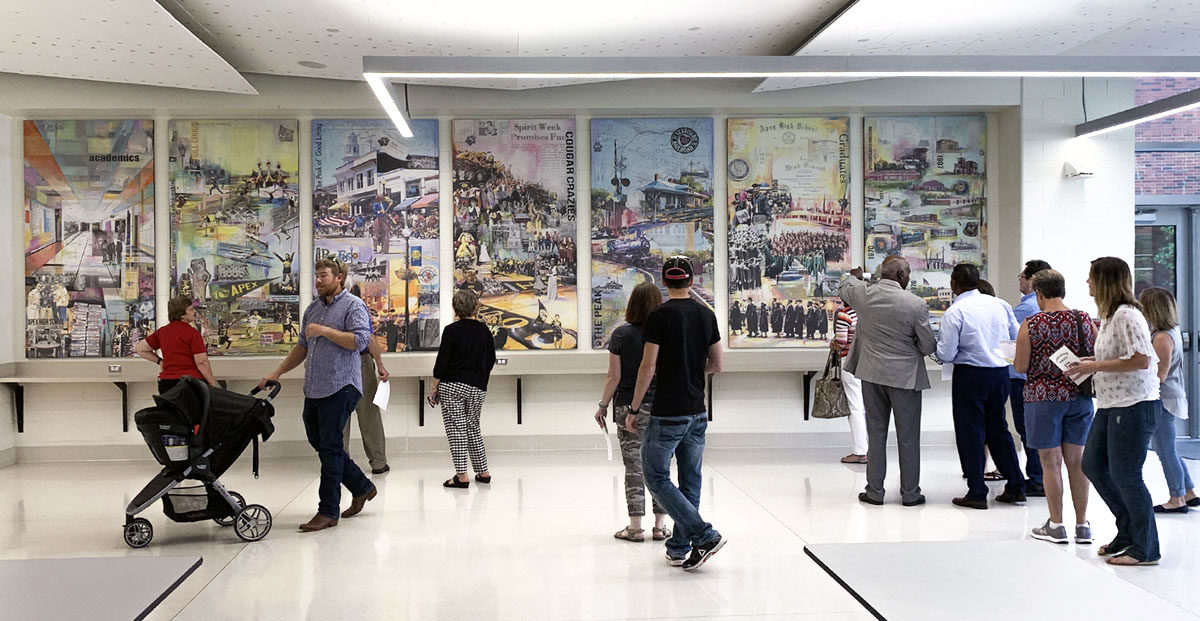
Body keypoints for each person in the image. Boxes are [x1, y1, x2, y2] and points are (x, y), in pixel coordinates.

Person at [260, 258, 376, 532]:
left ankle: (328, 512)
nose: (318, 280)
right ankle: (362, 486)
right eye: (317, 276)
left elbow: (360, 341)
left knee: (331, 448)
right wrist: (276, 373)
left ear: (339, 278)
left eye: (324, 275)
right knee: (321, 443)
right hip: (314, 388)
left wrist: (324, 331)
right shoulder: (312, 309)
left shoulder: (353, 306)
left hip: (341, 386)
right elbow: (302, 347)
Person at [629, 256, 725, 571]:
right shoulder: (706, 315)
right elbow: (717, 364)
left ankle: (703, 534)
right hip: (697, 411)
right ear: (691, 281)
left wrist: (633, 407)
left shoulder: (659, 316)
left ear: (665, 281)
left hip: (667, 412)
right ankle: (680, 546)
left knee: (655, 476)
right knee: (690, 480)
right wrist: (694, 377)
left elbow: (648, 366)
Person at [1069, 257, 1161, 566]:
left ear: (1105, 281)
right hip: (1111, 404)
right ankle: (1128, 531)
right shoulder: (1109, 317)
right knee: (1093, 464)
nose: (1087, 283)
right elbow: (1118, 357)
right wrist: (1085, 363)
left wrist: (1092, 366)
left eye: (1091, 277)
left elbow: (1141, 360)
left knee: (1127, 474)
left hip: (1135, 404)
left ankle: (1146, 548)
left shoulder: (1127, 316)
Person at [839, 256, 936, 507]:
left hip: (871, 375)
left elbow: (845, 286)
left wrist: (856, 275)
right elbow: (927, 346)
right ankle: (910, 493)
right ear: (902, 276)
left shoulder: (864, 295)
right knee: (908, 438)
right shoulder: (915, 304)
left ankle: (874, 491)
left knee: (876, 434)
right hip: (906, 378)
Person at [1013, 270, 1096, 543]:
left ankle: (1056, 524)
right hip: (1079, 396)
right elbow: (1097, 355)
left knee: (1050, 463)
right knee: (1078, 461)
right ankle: (1082, 525)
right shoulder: (1082, 318)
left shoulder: (1032, 323)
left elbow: (1021, 366)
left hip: (1043, 398)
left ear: (1038, 294)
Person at [938, 263, 1025, 509]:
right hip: (999, 374)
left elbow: (946, 353)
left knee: (970, 432)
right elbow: (1015, 337)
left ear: (954, 284)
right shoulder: (1000, 305)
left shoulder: (955, 312)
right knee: (999, 429)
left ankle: (977, 490)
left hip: (970, 375)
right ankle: (1016, 485)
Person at [594, 281, 670, 543]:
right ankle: (660, 526)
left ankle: (635, 527)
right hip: (662, 407)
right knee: (661, 468)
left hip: (628, 407)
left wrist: (603, 405)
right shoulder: (666, 334)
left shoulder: (620, 335)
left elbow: (613, 377)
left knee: (634, 468)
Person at [431, 290, 497, 488]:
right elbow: (491, 359)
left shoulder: (452, 330)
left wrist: (434, 387)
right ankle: (483, 471)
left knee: (456, 430)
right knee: (472, 427)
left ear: (455, 308)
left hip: (453, 386)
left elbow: (442, 362)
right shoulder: (484, 330)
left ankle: (461, 476)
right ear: (476, 307)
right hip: (478, 387)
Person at [1139, 287, 1197, 513]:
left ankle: (1176, 498)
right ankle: (1188, 491)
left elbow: (1159, 375)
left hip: (1163, 399)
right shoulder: (1171, 332)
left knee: (1165, 450)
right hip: (1170, 397)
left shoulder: (1162, 338)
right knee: (1168, 446)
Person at [1011, 259, 1053, 496]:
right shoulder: (1039, 308)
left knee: (1027, 429)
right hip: (1040, 379)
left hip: (1022, 377)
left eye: (1022, 276)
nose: (1019, 278)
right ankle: (1039, 476)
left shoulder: (1027, 310)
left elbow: (1012, 340)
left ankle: (1036, 478)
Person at [342, 284, 391, 476]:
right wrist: (379, 364)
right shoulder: (357, 306)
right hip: (360, 361)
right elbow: (369, 338)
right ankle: (378, 462)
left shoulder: (326, 308)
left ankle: (341, 462)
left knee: (339, 414)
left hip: (336, 363)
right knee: (369, 413)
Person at [135, 295, 218, 393]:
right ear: (181, 314)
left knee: (169, 409)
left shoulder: (162, 332)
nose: (194, 312)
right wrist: (212, 384)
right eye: (190, 309)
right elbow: (201, 362)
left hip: (167, 383)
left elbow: (140, 349)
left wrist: (160, 362)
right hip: (190, 383)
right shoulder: (192, 333)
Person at [831, 300, 867, 464]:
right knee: (867, 407)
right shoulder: (868, 311)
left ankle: (860, 452)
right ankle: (870, 449)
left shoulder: (845, 314)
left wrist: (833, 343)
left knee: (855, 407)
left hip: (850, 362)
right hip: (869, 363)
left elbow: (841, 342)